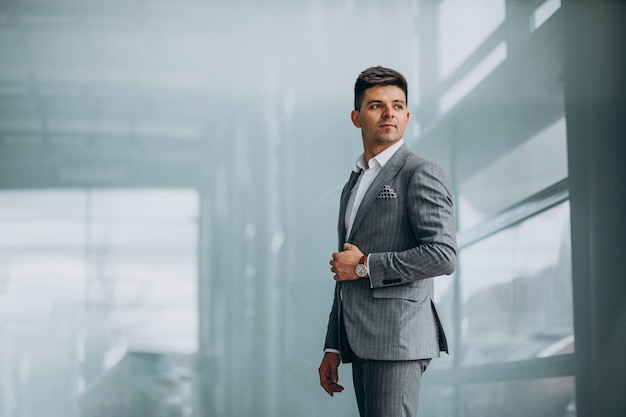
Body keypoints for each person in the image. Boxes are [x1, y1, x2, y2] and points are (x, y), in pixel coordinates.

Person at [318, 66, 457, 417]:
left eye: (397, 106)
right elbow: (343, 270)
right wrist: (333, 346)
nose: (388, 113)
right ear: (356, 117)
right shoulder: (354, 184)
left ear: (407, 116)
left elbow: (442, 255)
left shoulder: (419, 172)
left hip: (398, 338)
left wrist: (366, 266)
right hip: (359, 338)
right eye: (377, 105)